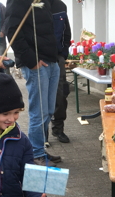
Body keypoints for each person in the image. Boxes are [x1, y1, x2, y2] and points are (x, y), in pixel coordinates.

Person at [6, 0, 62, 166]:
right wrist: (31, 60)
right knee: (39, 111)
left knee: (49, 110)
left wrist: (58, 54)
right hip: (36, 64)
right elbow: (12, 30)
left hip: (51, 61)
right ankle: (36, 153)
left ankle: (39, 148)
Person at [50, 0, 71, 144]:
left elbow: (66, 32)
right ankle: (41, 136)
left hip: (57, 57)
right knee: (41, 99)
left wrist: (63, 54)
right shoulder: (31, 4)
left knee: (61, 94)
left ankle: (58, 129)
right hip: (38, 59)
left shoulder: (60, 6)